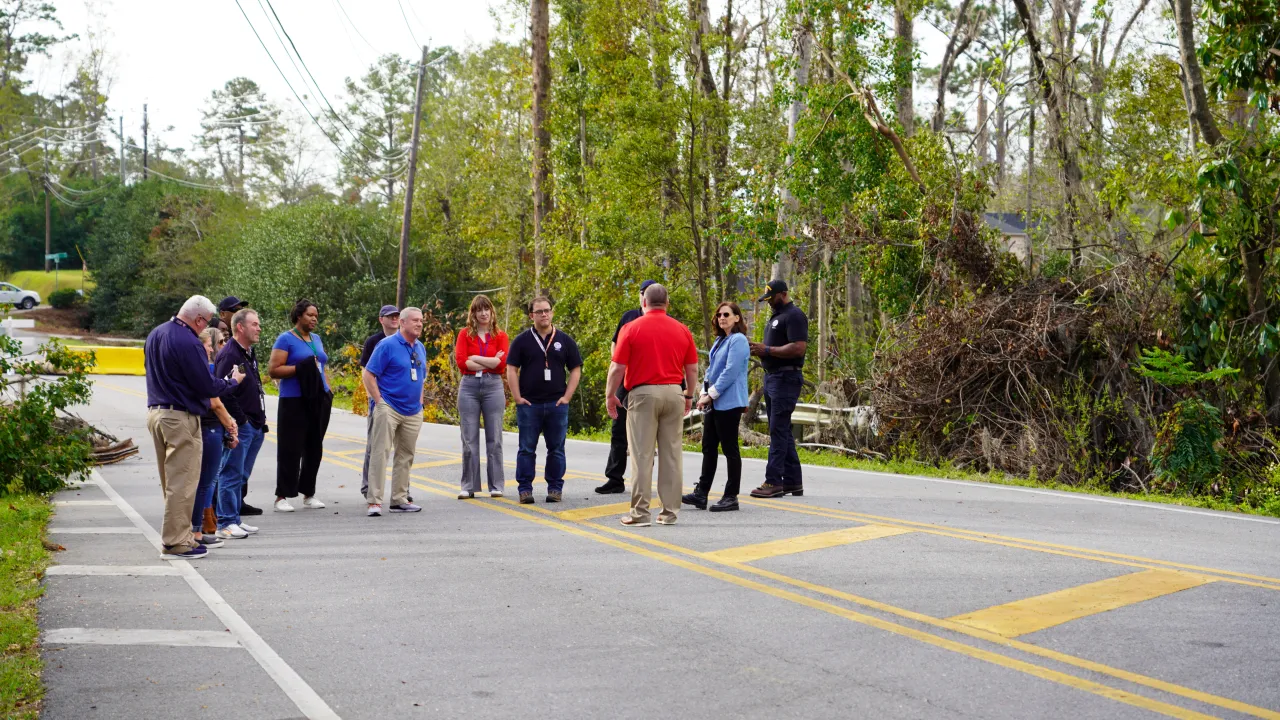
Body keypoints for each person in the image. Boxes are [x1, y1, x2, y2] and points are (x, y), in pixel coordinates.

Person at [144, 295, 245, 560]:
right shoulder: (189, 341)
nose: (206, 327)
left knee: (171, 482)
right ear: (199, 318)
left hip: (157, 412)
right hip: (180, 416)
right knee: (184, 482)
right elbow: (207, 386)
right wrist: (232, 382)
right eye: (206, 322)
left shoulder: (156, 334)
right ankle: (177, 541)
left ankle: (181, 535)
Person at [606, 283, 698, 527]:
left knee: (642, 455)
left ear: (643, 303)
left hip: (643, 394)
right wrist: (689, 395)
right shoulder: (682, 329)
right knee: (671, 456)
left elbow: (618, 367)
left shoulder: (631, 327)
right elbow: (692, 368)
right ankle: (669, 513)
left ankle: (640, 513)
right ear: (667, 303)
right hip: (674, 392)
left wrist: (610, 395)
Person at [505, 296, 582, 504]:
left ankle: (555, 489)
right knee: (527, 448)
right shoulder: (522, 340)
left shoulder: (564, 340)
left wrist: (568, 396)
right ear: (532, 315)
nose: (544, 314)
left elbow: (575, 368)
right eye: (539, 312)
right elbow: (511, 368)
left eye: (547, 310)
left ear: (552, 312)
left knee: (556, 449)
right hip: (530, 404)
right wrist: (517, 397)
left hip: (557, 404)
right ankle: (525, 489)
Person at [683, 302, 750, 512]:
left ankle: (731, 496)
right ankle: (701, 493)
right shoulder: (721, 340)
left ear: (737, 317)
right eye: (719, 315)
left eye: (727, 314)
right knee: (708, 447)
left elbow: (730, 372)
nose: (722, 318)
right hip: (715, 401)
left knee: (730, 449)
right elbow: (712, 369)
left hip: (729, 402)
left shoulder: (738, 340)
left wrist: (710, 395)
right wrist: (704, 392)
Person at [362, 306, 428, 516]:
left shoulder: (420, 347)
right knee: (380, 453)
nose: (419, 324)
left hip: (413, 410)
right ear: (403, 322)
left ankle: (399, 499)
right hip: (388, 407)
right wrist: (379, 402)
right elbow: (369, 375)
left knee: (405, 455)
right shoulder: (387, 345)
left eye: (421, 321)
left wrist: (420, 403)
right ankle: (374, 501)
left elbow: (421, 376)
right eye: (415, 320)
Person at [267, 298, 332, 512]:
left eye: (316, 316)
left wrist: (327, 389)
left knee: (314, 447)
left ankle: (309, 494)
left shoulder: (316, 338)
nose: (314, 318)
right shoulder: (286, 339)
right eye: (310, 315)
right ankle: (282, 496)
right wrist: (300, 368)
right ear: (298, 316)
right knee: (290, 448)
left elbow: (320, 365)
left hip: (318, 399)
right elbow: (274, 370)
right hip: (294, 400)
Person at [597, 279, 658, 494]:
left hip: (647, 382)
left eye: (648, 293)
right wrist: (619, 362)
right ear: (640, 295)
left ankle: (643, 480)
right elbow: (616, 343)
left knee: (644, 435)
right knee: (618, 431)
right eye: (642, 292)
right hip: (625, 381)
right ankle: (614, 478)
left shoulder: (662, 319)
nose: (645, 296)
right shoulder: (629, 317)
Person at [749, 280, 809, 498]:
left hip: (786, 377)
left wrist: (767, 349)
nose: (769, 303)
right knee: (781, 429)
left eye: (771, 299)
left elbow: (798, 347)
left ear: (783, 294)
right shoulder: (777, 317)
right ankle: (793, 482)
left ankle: (774, 481)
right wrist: (761, 349)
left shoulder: (794, 315)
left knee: (777, 429)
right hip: (773, 378)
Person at [213, 308, 267, 539]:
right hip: (242, 425)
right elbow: (223, 391)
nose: (259, 328)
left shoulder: (247, 353)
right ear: (240, 327)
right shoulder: (230, 355)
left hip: (254, 424)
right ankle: (225, 522)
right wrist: (240, 421)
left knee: (241, 475)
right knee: (231, 473)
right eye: (254, 324)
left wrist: (259, 422)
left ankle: (235, 518)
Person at [454, 294, 509, 499]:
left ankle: (496, 485)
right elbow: (462, 362)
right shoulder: (464, 335)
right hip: (469, 387)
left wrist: (475, 358)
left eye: (487, 309)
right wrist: (490, 360)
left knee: (494, 437)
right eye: (479, 310)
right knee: (469, 438)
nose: (483, 313)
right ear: (473, 314)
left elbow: (501, 365)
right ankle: (468, 486)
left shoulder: (500, 336)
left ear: (492, 312)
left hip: (493, 387)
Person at [194, 327, 238, 547]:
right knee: (208, 480)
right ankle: (204, 527)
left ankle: (204, 524)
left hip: (205, 426)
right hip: (210, 426)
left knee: (207, 479)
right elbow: (215, 402)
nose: (217, 348)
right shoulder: (208, 367)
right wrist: (231, 425)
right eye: (216, 343)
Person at [359, 305, 400, 498]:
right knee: (375, 445)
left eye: (397, 316)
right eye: (390, 316)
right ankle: (368, 486)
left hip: (401, 401)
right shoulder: (373, 342)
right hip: (379, 399)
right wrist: (373, 397)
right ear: (381, 319)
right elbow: (366, 371)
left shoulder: (405, 339)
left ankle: (402, 490)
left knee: (401, 448)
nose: (394, 319)